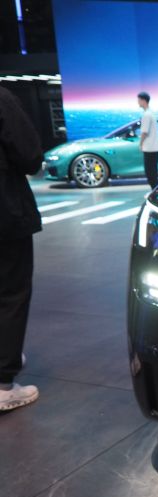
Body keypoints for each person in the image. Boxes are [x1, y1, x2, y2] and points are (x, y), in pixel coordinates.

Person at [0, 86, 43, 411]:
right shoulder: (2, 100)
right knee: (11, 292)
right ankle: (3, 385)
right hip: (5, 213)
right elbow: (30, 157)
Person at [137, 92, 158, 189]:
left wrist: (140, 144)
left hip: (149, 148)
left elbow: (144, 132)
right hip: (155, 147)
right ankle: (155, 191)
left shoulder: (146, 114)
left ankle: (154, 191)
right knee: (153, 172)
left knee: (150, 173)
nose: (138, 102)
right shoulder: (151, 113)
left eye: (139, 100)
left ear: (144, 100)